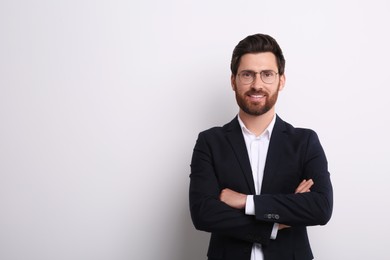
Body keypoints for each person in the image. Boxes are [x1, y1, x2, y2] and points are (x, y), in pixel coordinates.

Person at [189, 33, 333, 260]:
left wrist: (246, 202)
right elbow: (203, 214)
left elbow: (320, 207)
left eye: (267, 74)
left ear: (281, 80)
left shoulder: (305, 141)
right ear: (233, 80)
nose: (257, 84)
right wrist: (277, 222)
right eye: (247, 74)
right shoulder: (210, 142)